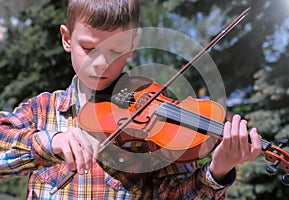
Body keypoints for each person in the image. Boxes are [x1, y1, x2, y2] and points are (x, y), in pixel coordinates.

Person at [0, 0, 262, 199]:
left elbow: (174, 194)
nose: (101, 63)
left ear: (133, 44)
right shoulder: (43, 110)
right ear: (67, 39)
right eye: (89, 49)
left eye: (115, 50)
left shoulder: (154, 118)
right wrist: (50, 142)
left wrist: (217, 170)